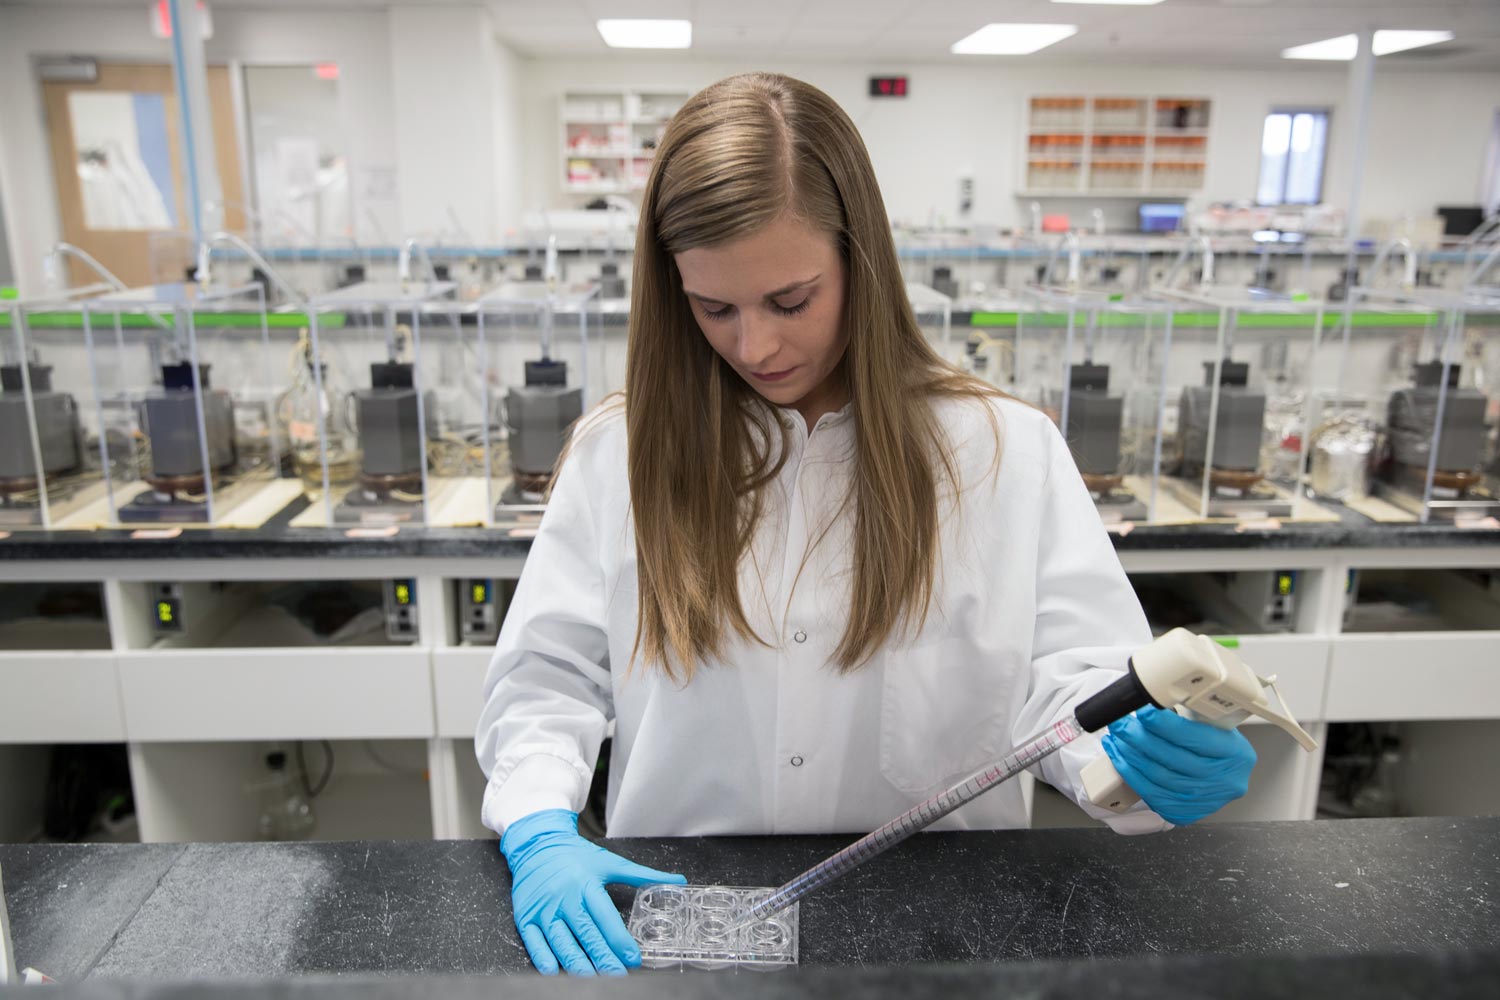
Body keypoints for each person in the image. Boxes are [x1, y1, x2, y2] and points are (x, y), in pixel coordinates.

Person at [475, 72, 1255, 977]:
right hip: (680, 925)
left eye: (791, 300)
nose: (754, 347)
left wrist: (1137, 758)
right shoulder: (621, 454)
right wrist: (537, 824)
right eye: (713, 308)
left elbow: (1072, 694)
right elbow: (547, 680)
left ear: (863, 262)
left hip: (945, 936)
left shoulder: (1004, 452)